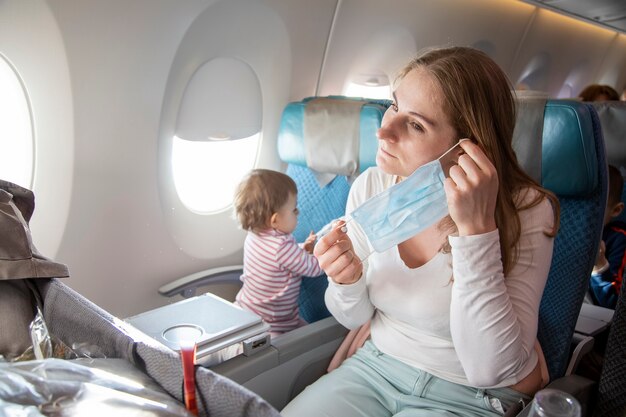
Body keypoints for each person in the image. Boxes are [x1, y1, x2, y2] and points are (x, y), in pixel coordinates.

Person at [282, 46, 560, 417]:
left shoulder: (526, 210)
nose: (383, 130)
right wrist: (345, 281)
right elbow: (353, 318)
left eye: (415, 125)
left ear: (468, 147)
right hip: (376, 368)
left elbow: (490, 368)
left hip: (473, 394)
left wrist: (476, 231)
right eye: (394, 105)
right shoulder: (373, 185)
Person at [233, 169, 322, 335]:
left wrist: (303, 248)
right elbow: (315, 268)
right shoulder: (281, 246)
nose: (298, 213)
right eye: (294, 210)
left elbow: (282, 260)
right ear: (275, 220)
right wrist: (326, 252)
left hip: (247, 309)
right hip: (274, 324)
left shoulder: (254, 235)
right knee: (314, 337)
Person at [590, 165, 626, 309]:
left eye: (595, 209)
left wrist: (600, 265)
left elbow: (613, 305)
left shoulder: (619, 239)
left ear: (615, 210)